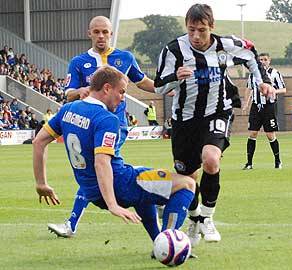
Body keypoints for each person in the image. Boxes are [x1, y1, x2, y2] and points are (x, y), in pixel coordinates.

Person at [33, 66, 195, 248]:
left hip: (92, 193)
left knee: (142, 186)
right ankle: (169, 244)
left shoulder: (68, 109)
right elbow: (101, 162)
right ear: (107, 88)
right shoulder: (107, 119)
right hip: (119, 185)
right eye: (122, 92)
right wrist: (113, 205)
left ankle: (158, 241)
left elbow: (39, 142)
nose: (123, 98)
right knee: (187, 184)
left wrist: (41, 183)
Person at [154, 3, 273, 246]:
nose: (196, 36)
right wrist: (174, 78)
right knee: (187, 177)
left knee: (211, 159)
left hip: (217, 111)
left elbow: (251, 53)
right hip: (184, 121)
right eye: (191, 31)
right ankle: (195, 218)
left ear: (212, 27)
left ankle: (207, 218)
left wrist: (263, 81)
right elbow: (159, 86)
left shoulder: (226, 45)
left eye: (202, 30)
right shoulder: (173, 50)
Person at [47, 15, 155, 238]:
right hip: (88, 124)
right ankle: (152, 194)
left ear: (111, 33)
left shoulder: (125, 57)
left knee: (96, 168)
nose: (101, 36)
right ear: (89, 34)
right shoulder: (78, 62)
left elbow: (143, 81)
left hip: (115, 126)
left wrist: (169, 87)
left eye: (105, 32)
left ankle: (71, 224)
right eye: (96, 32)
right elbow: (68, 94)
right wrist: (80, 92)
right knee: (98, 169)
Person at [242, 52, 286, 170]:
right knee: (252, 133)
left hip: (269, 106)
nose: (262, 61)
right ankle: (249, 163)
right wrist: (246, 103)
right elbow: (249, 88)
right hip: (256, 106)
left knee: (270, 134)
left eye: (265, 59)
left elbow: (284, 89)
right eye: (260, 60)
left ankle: (278, 161)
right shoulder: (253, 74)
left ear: (269, 60)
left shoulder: (275, 73)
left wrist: (273, 91)